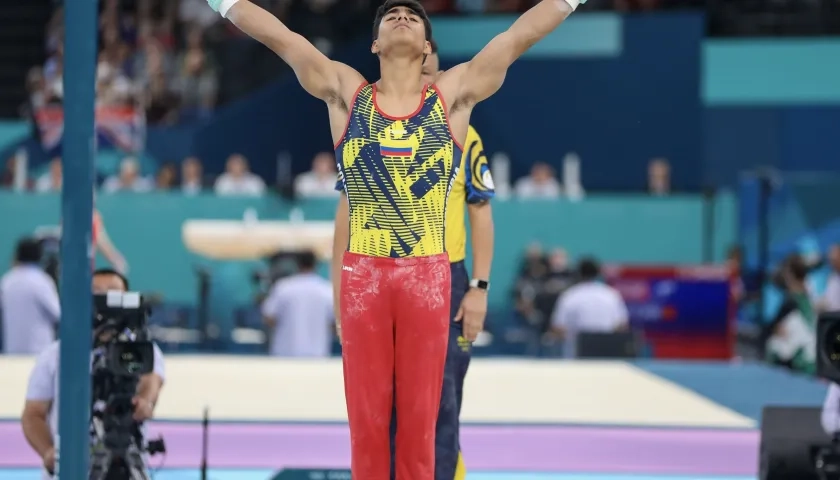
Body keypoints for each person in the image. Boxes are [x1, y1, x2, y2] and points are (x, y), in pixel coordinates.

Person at [206, 0, 585, 477]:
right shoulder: (346, 92)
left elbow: (517, 38)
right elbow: (283, 39)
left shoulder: (453, 95)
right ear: (374, 44)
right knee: (366, 426)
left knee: (420, 428)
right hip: (364, 277)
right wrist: (223, 3)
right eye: (391, 15)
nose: (402, 15)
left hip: (428, 277)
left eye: (413, 15)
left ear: (428, 46)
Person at [384, 38, 494, 480]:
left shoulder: (462, 133)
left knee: (442, 401)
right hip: (385, 274)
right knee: (385, 401)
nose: (422, 84)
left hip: (447, 277)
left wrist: (479, 289)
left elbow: (481, 212)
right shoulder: (375, 127)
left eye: (430, 75)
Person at [21, 268, 165, 479]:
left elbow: (151, 380)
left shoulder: (141, 350)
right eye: (97, 292)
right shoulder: (56, 355)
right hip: (70, 467)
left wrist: (145, 401)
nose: (105, 297)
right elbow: (33, 414)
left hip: (125, 459)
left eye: (113, 291)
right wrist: (48, 452)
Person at [550, 257, 629, 358]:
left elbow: (558, 328)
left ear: (579, 274)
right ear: (598, 273)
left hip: (578, 354)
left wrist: (571, 339)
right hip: (606, 354)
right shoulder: (611, 295)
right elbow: (622, 325)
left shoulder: (570, 296)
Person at [260, 250, 335, 357]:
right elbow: (335, 323)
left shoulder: (283, 287)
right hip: (316, 353)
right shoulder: (326, 290)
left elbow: (268, 317)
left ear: (297, 264)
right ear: (316, 265)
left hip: (285, 352)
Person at [0, 238, 60, 354]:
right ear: (40, 256)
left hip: (11, 350)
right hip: (38, 350)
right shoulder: (42, 280)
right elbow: (57, 313)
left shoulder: (7, 280)